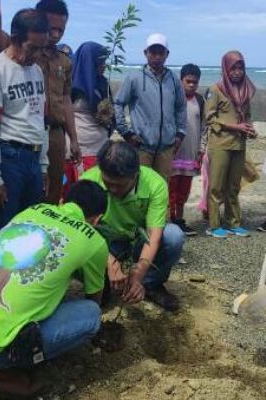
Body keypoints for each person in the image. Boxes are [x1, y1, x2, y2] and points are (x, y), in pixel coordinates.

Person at [0, 180, 108, 399]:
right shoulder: (94, 239)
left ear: (64, 201)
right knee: (91, 314)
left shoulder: (34, 210)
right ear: (97, 219)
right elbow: (95, 297)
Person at [0, 0, 80, 205]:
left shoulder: (64, 61)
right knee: (14, 201)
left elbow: (66, 100)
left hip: (53, 134)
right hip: (19, 138)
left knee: (51, 194)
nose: (55, 34)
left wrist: (73, 138)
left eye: (60, 30)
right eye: (51, 27)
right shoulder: (21, 49)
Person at [81, 140, 185, 311]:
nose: (113, 190)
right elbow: (82, 231)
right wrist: (108, 261)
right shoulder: (88, 181)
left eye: (119, 185)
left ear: (135, 175)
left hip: (136, 241)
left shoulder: (154, 184)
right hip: (103, 243)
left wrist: (137, 275)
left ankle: (150, 284)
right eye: (108, 184)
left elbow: (153, 237)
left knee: (174, 236)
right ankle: (101, 283)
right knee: (78, 245)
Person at [0, 9, 50, 241]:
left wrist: (43, 165)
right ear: (15, 38)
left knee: (27, 232)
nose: (37, 54)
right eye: (32, 47)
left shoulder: (36, 71)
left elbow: (41, 120)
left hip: (33, 157)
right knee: (1, 234)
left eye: (42, 48)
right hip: (8, 159)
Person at [114, 33, 187, 182]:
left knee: (161, 190)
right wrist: (126, 133)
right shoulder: (134, 78)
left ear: (167, 54)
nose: (157, 56)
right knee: (139, 188)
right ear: (145, 53)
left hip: (166, 148)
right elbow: (118, 103)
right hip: (142, 147)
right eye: (153, 52)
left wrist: (180, 133)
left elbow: (181, 107)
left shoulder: (173, 80)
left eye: (161, 52)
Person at [205, 51, 257, 239]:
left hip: (239, 145)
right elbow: (209, 118)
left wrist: (250, 130)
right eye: (233, 68)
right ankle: (213, 225)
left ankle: (233, 222)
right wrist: (235, 126)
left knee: (234, 186)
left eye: (240, 68)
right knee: (216, 186)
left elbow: (248, 116)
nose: (237, 72)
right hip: (220, 144)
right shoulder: (216, 89)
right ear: (225, 68)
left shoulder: (245, 90)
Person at [169, 63, 204, 236]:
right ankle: (170, 220)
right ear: (180, 80)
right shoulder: (173, 98)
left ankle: (180, 220)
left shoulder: (200, 100)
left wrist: (201, 149)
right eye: (188, 81)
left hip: (190, 152)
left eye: (195, 82)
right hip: (174, 152)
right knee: (171, 188)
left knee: (184, 189)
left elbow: (203, 126)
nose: (191, 85)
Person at [71, 41, 113, 171]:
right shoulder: (72, 87)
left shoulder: (102, 83)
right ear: (90, 63)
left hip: (101, 145)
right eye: (100, 62)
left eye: (105, 62)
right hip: (81, 147)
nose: (104, 66)